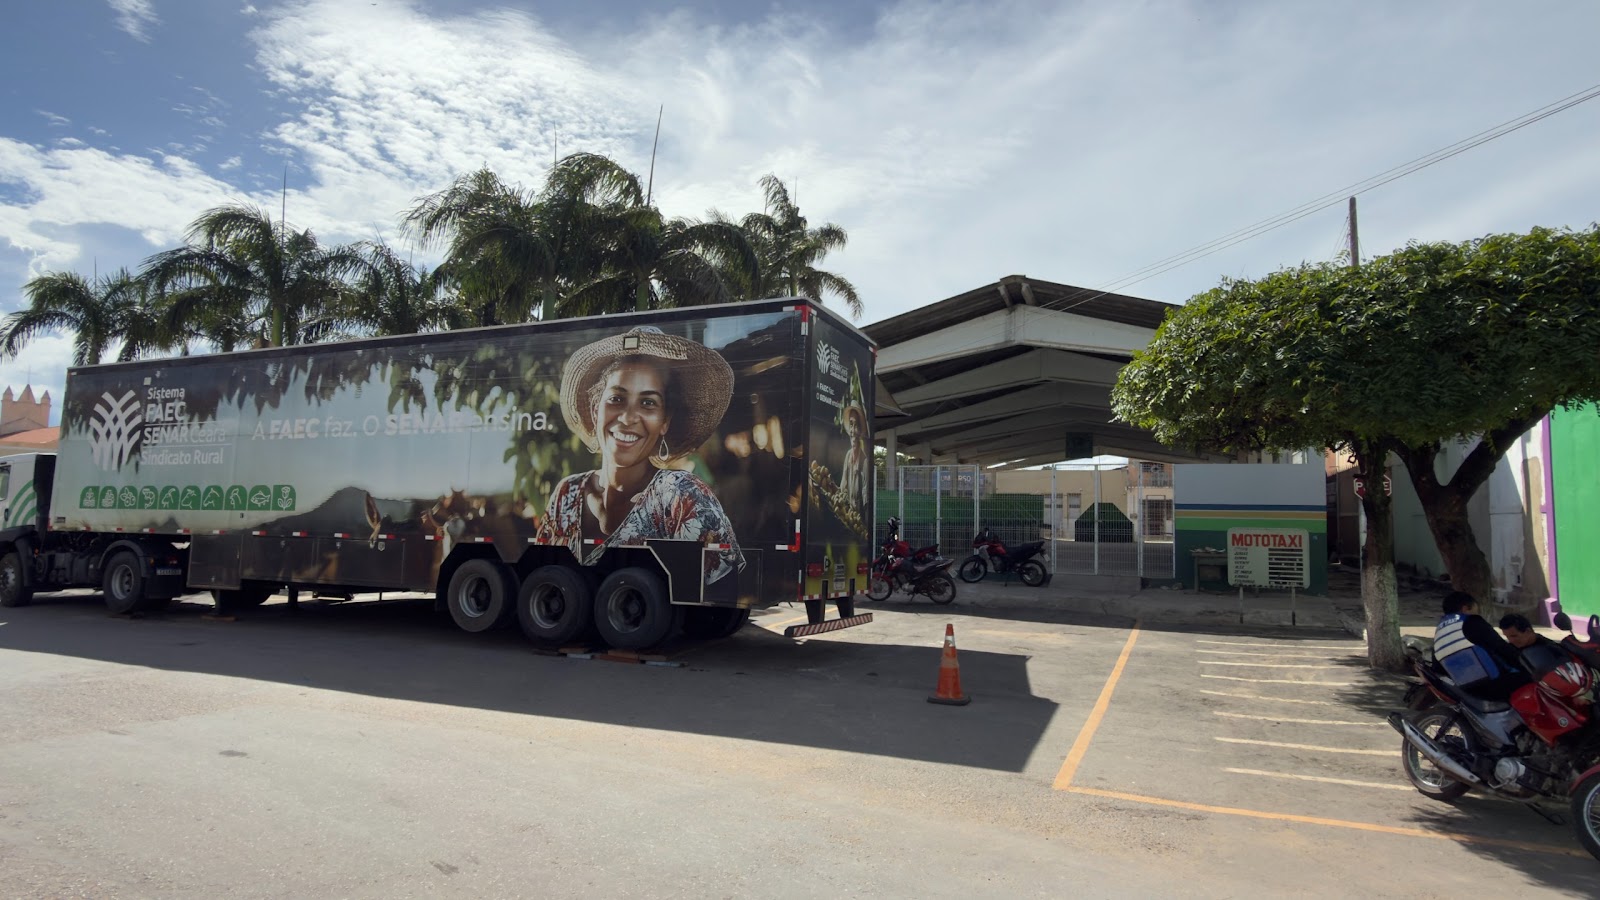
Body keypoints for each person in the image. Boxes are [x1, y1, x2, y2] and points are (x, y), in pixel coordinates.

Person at [537, 325, 745, 585]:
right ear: (594, 410)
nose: (627, 418)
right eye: (616, 399)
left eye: (648, 403)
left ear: (664, 421)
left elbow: (722, 585)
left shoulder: (680, 497)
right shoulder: (566, 494)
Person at [1434, 591, 1526, 701]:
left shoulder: (1440, 629)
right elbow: (1501, 647)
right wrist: (1526, 664)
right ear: (1465, 609)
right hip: (1490, 685)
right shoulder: (1472, 622)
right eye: (1475, 610)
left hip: (1462, 688)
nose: (1477, 614)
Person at [839, 405, 870, 515]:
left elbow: (866, 494)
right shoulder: (848, 455)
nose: (853, 431)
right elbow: (843, 483)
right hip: (847, 512)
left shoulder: (865, 462)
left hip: (859, 515)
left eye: (856, 425)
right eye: (851, 425)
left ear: (860, 430)